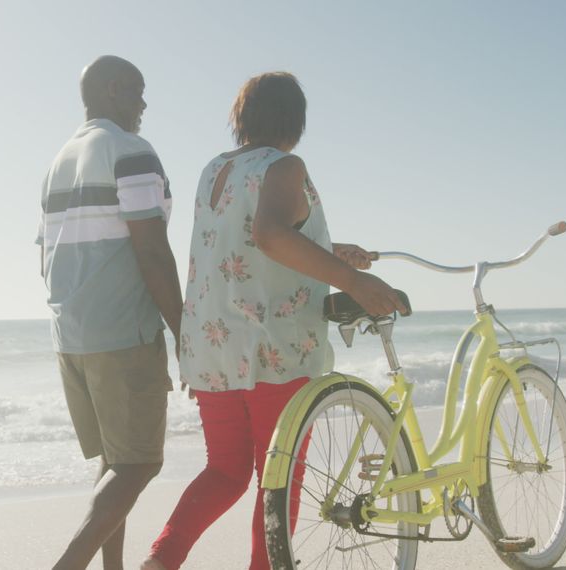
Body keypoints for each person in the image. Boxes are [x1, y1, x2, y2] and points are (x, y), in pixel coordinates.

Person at [140, 72, 407, 570]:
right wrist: (352, 280)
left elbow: (242, 242)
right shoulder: (285, 165)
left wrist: (328, 249)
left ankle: (159, 561)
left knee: (223, 472)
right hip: (272, 348)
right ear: (296, 120)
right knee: (279, 479)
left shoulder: (214, 169)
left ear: (241, 118)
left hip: (212, 345)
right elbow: (268, 235)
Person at [38, 55, 183, 570]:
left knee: (115, 461)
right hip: (124, 333)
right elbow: (152, 249)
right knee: (140, 461)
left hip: (70, 336)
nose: (144, 104)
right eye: (137, 91)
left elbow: (45, 255)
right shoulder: (131, 150)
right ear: (113, 88)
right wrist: (183, 328)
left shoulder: (60, 159)